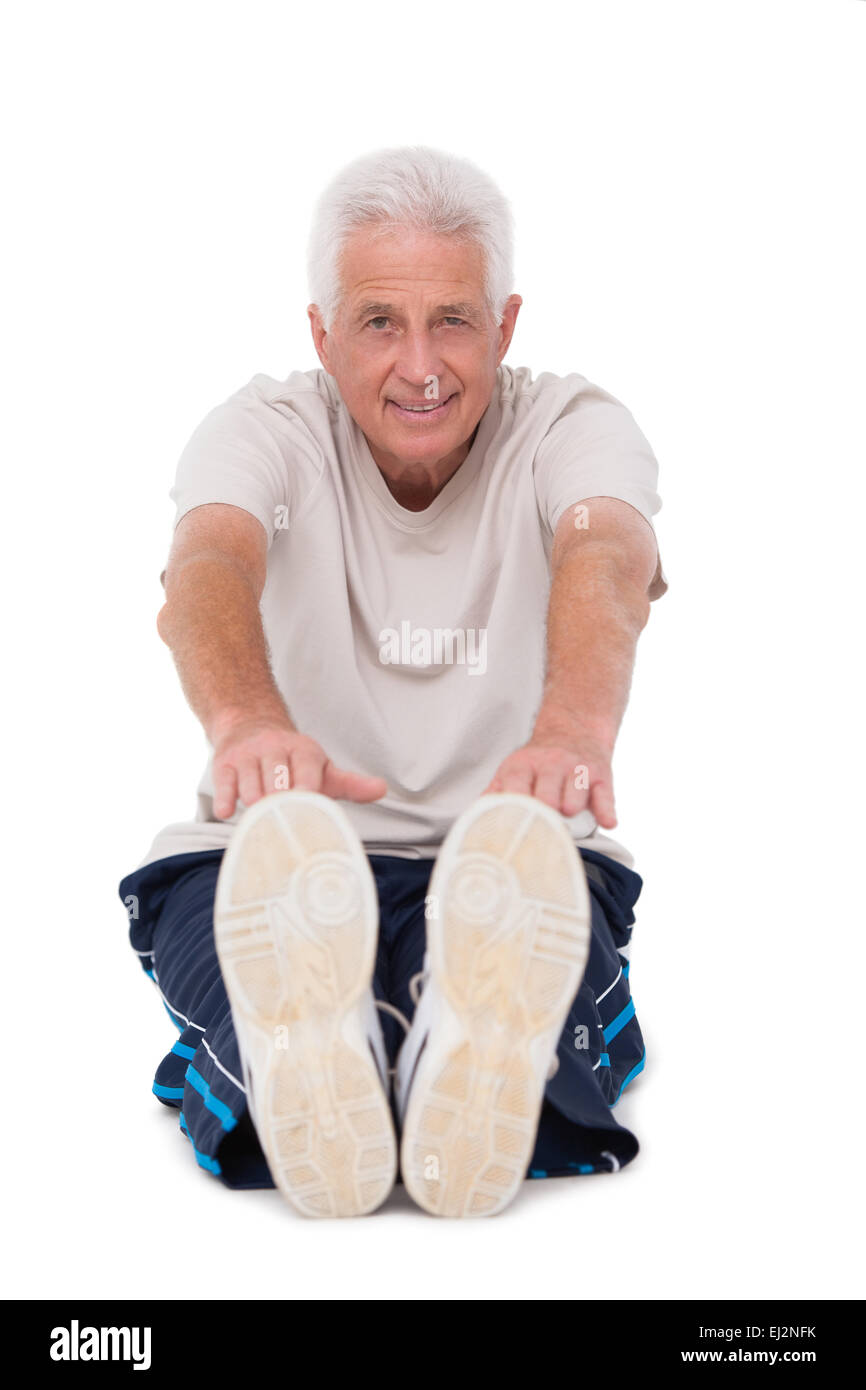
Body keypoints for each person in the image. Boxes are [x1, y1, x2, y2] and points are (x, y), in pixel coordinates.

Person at [118, 145, 668, 1219]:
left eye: (451, 320)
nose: (420, 365)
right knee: (270, 1055)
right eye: (379, 323)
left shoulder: (573, 427)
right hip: (268, 855)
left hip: (516, 858)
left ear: (504, 325)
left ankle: (419, 1046)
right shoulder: (263, 432)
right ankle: (384, 1050)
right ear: (321, 335)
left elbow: (606, 555)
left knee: (537, 1053)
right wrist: (245, 725)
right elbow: (209, 564)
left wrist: (571, 731)